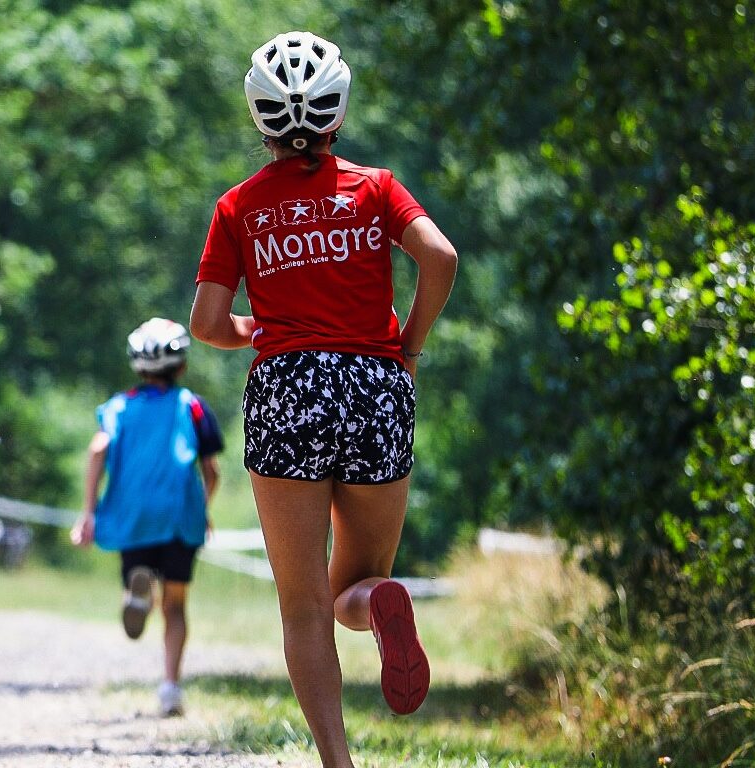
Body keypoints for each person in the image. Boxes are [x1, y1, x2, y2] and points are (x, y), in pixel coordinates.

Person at [188, 32, 460, 768]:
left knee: (303, 603)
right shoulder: (375, 187)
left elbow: (207, 326)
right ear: (338, 113)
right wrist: (410, 344)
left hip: (288, 388)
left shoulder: (238, 206)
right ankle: (377, 607)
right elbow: (440, 256)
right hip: (375, 387)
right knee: (358, 581)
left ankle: (338, 763)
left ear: (260, 117)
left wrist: (258, 329)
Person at [69, 318, 223, 718]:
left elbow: (97, 449)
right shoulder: (192, 405)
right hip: (178, 516)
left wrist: (88, 512)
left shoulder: (118, 407)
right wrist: (201, 507)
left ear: (137, 366)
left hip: (132, 516)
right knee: (176, 606)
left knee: (139, 576)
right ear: (182, 366)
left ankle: (137, 592)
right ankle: (170, 687)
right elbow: (212, 471)